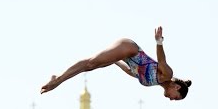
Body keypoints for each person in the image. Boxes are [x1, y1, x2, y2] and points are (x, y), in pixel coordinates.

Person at [40, 26, 192, 101]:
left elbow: (131, 71)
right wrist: (159, 41)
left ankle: (58, 79)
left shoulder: (152, 82)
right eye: (176, 97)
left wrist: (114, 61)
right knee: (91, 64)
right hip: (130, 49)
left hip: (125, 56)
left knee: (93, 66)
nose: (172, 99)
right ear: (176, 87)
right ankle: (58, 79)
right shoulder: (167, 75)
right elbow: (162, 60)